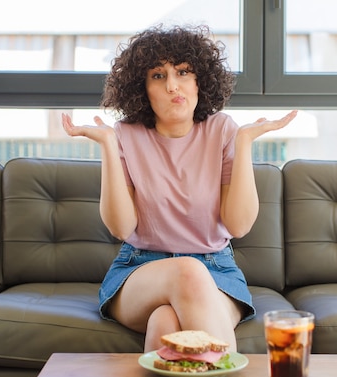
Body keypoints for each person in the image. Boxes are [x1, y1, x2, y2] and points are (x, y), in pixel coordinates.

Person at [62, 24, 297, 352]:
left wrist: (243, 142)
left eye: (183, 72)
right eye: (158, 75)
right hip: (140, 268)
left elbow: (238, 225)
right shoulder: (125, 135)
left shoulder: (223, 130)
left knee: (165, 322)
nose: (173, 84)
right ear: (142, 88)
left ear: (200, 80)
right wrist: (108, 147)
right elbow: (121, 227)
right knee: (186, 271)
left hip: (216, 269)